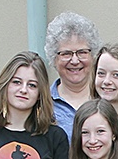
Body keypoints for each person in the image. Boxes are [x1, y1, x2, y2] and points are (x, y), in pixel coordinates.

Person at [44, 12, 102, 142]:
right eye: (66, 53)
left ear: (93, 56)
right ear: (54, 58)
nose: (75, 61)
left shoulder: (107, 99)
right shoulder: (43, 104)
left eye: (82, 52)